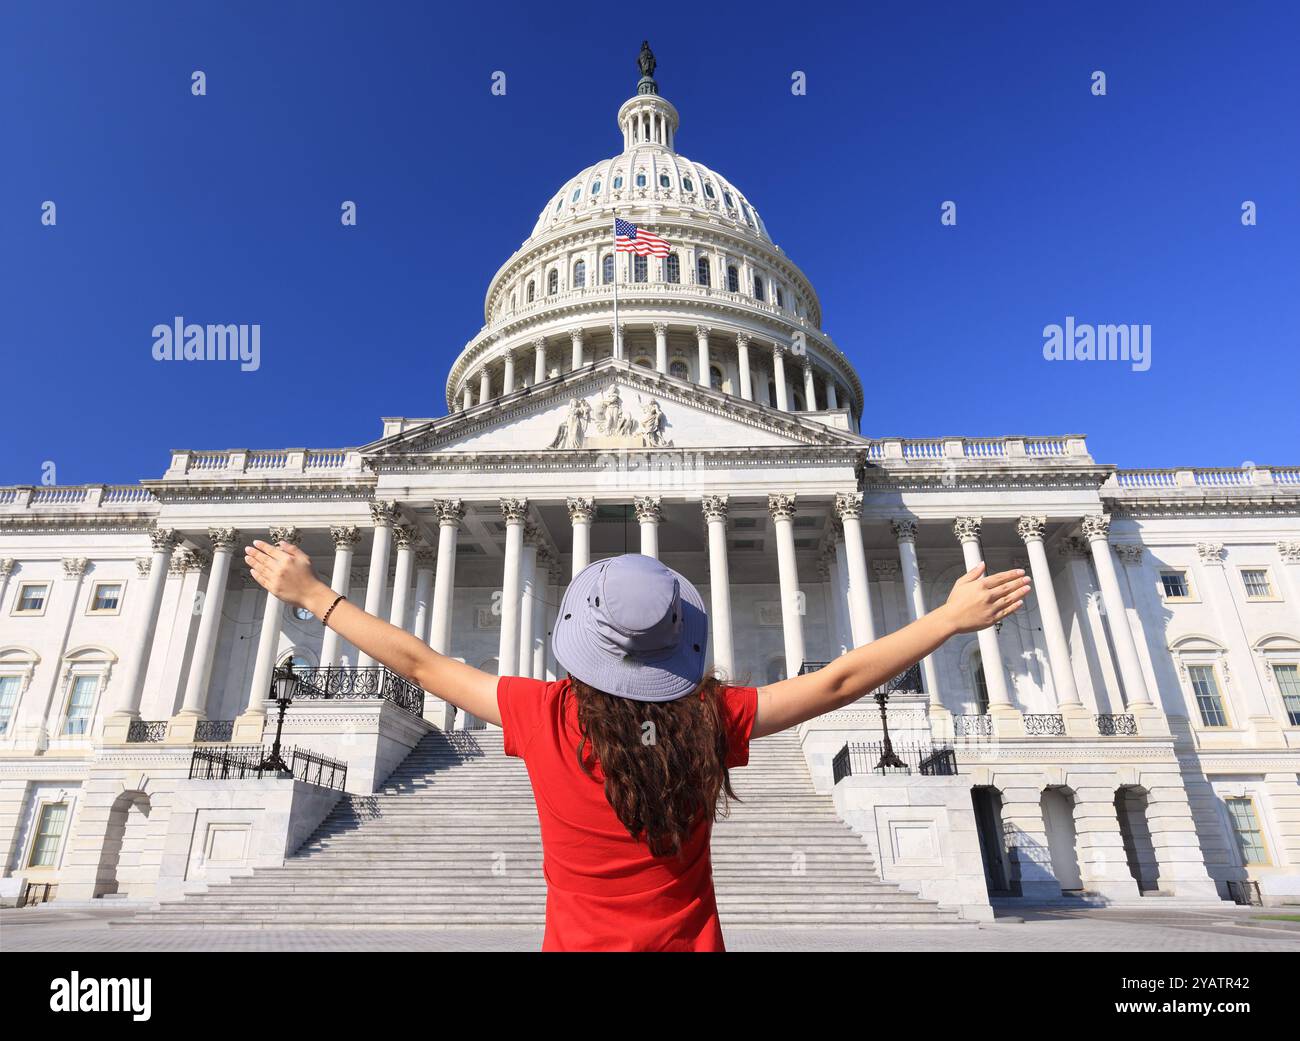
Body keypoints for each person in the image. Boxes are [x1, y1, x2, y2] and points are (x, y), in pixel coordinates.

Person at [244, 540, 1029, 952]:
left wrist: (315, 594)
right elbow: (835, 682)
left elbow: (420, 662)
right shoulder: (709, 720)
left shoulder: (544, 716)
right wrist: (946, 620)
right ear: (679, 641)